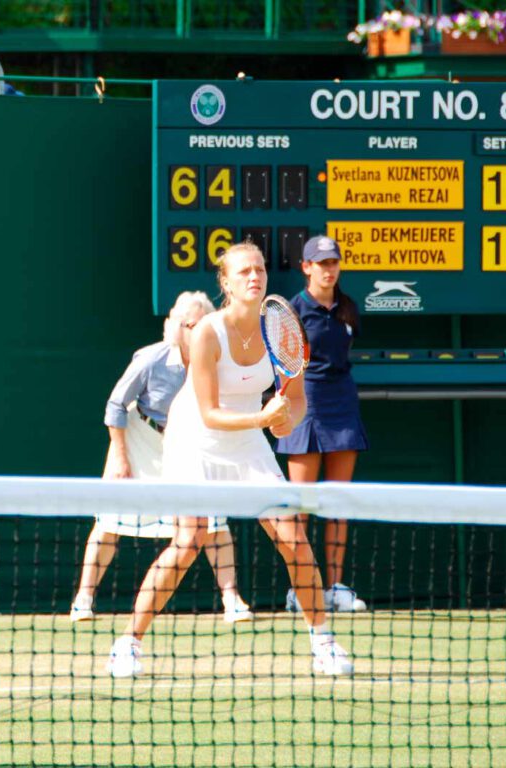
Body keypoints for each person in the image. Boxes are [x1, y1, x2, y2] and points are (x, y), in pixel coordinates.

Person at [107, 242, 354, 679]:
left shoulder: (282, 328)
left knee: (294, 539)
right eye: (243, 272)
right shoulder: (207, 331)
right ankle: (128, 643)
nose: (254, 277)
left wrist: (284, 423)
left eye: (259, 270)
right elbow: (208, 411)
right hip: (195, 437)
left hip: (247, 439)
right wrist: (263, 417)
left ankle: (324, 642)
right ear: (225, 282)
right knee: (188, 543)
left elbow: (295, 401)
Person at [70, 292, 252, 625]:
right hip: (140, 439)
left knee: (214, 523)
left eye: (196, 324)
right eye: (185, 324)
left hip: (187, 444)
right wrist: (120, 456)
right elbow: (114, 406)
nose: (190, 329)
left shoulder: (216, 360)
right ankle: (84, 599)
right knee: (109, 523)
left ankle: (232, 600)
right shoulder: (151, 359)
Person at [278, 235, 369, 614]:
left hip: (342, 404)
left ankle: (333, 587)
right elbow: (285, 366)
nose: (329, 269)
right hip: (306, 404)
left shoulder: (348, 308)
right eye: (321, 263)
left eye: (334, 262)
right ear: (306, 267)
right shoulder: (292, 312)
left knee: (337, 503)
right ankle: (301, 589)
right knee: (300, 506)